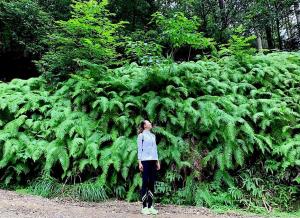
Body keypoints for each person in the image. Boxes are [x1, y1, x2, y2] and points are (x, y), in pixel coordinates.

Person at [137, 120, 160, 215]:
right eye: (148, 123)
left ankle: (150, 206)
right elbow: (139, 149)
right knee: (145, 182)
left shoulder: (153, 136)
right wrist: (140, 162)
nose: (150, 123)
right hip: (145, 161)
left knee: (152, 183)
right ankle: (144, 207)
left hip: (153, 161)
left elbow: (155, 149)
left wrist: (157, 161)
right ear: (145, 126)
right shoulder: (141, 136)